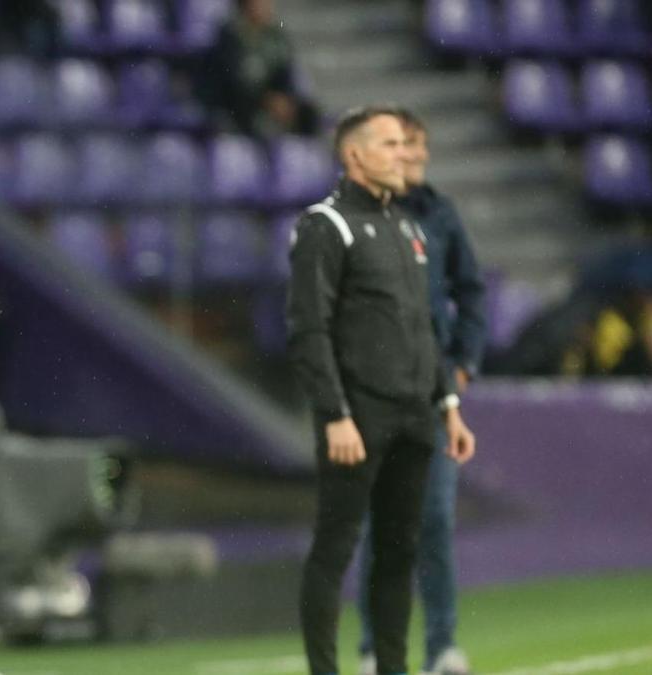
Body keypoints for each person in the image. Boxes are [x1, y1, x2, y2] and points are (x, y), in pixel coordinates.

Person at [287, 106, 476, 675]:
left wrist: (448, 406)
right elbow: (308, 329)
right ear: (356, 155)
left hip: (415, 417)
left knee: (398, 555)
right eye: (391, 145)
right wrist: (335, 414)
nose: (405, 155)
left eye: (405, 144)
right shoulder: (327, 225)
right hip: (359, 418)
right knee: (335, 550)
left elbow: (423, 326)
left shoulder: (407, 227)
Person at [354, 109, 487, 675]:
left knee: (432, 519)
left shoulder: (440, 214)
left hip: (433, 392)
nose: (416, 159)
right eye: (405, 148)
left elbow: (472, 293)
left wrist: (464, 364)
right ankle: (374, 648)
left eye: (420, 150)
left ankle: (441, 647)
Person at [195, 0, 318, 139]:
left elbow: (285, 71)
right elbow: (233, 80)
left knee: (308, 113)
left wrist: (284, 98)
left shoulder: (276, 37)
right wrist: (266, 99)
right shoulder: (229, 36)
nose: (266, 7)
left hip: (270, 103)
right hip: (239, 105)